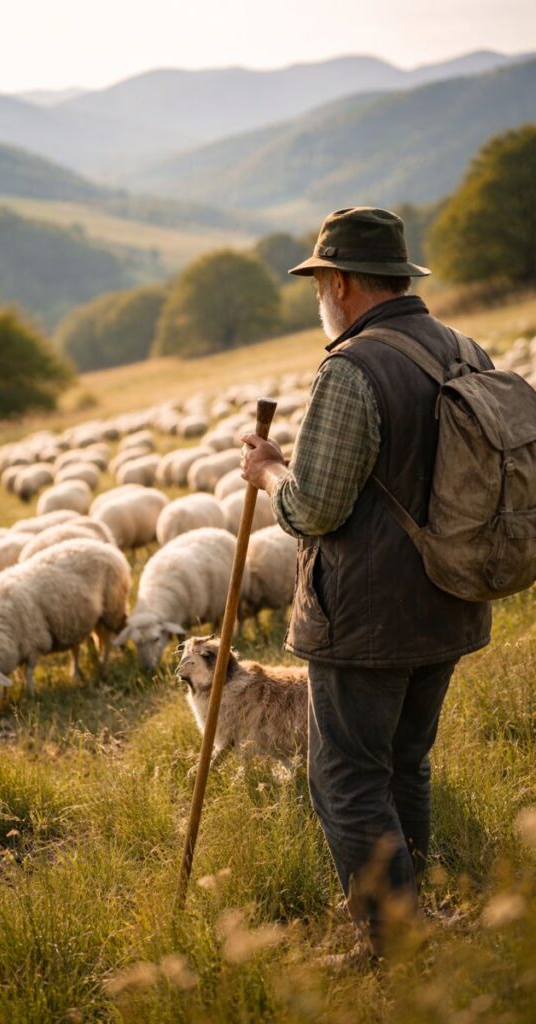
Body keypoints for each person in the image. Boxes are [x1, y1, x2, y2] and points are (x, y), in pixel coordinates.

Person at [240, 206, 492, 961]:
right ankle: (416, 920)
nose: (320, 297)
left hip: (365, 617)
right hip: (449, 601)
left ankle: (388, 943)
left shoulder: (352, 368)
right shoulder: (460, 347)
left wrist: (269, 468)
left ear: (341, 282)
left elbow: (311, 507)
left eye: (320, 282)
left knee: (346, 777)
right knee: (405, 762)